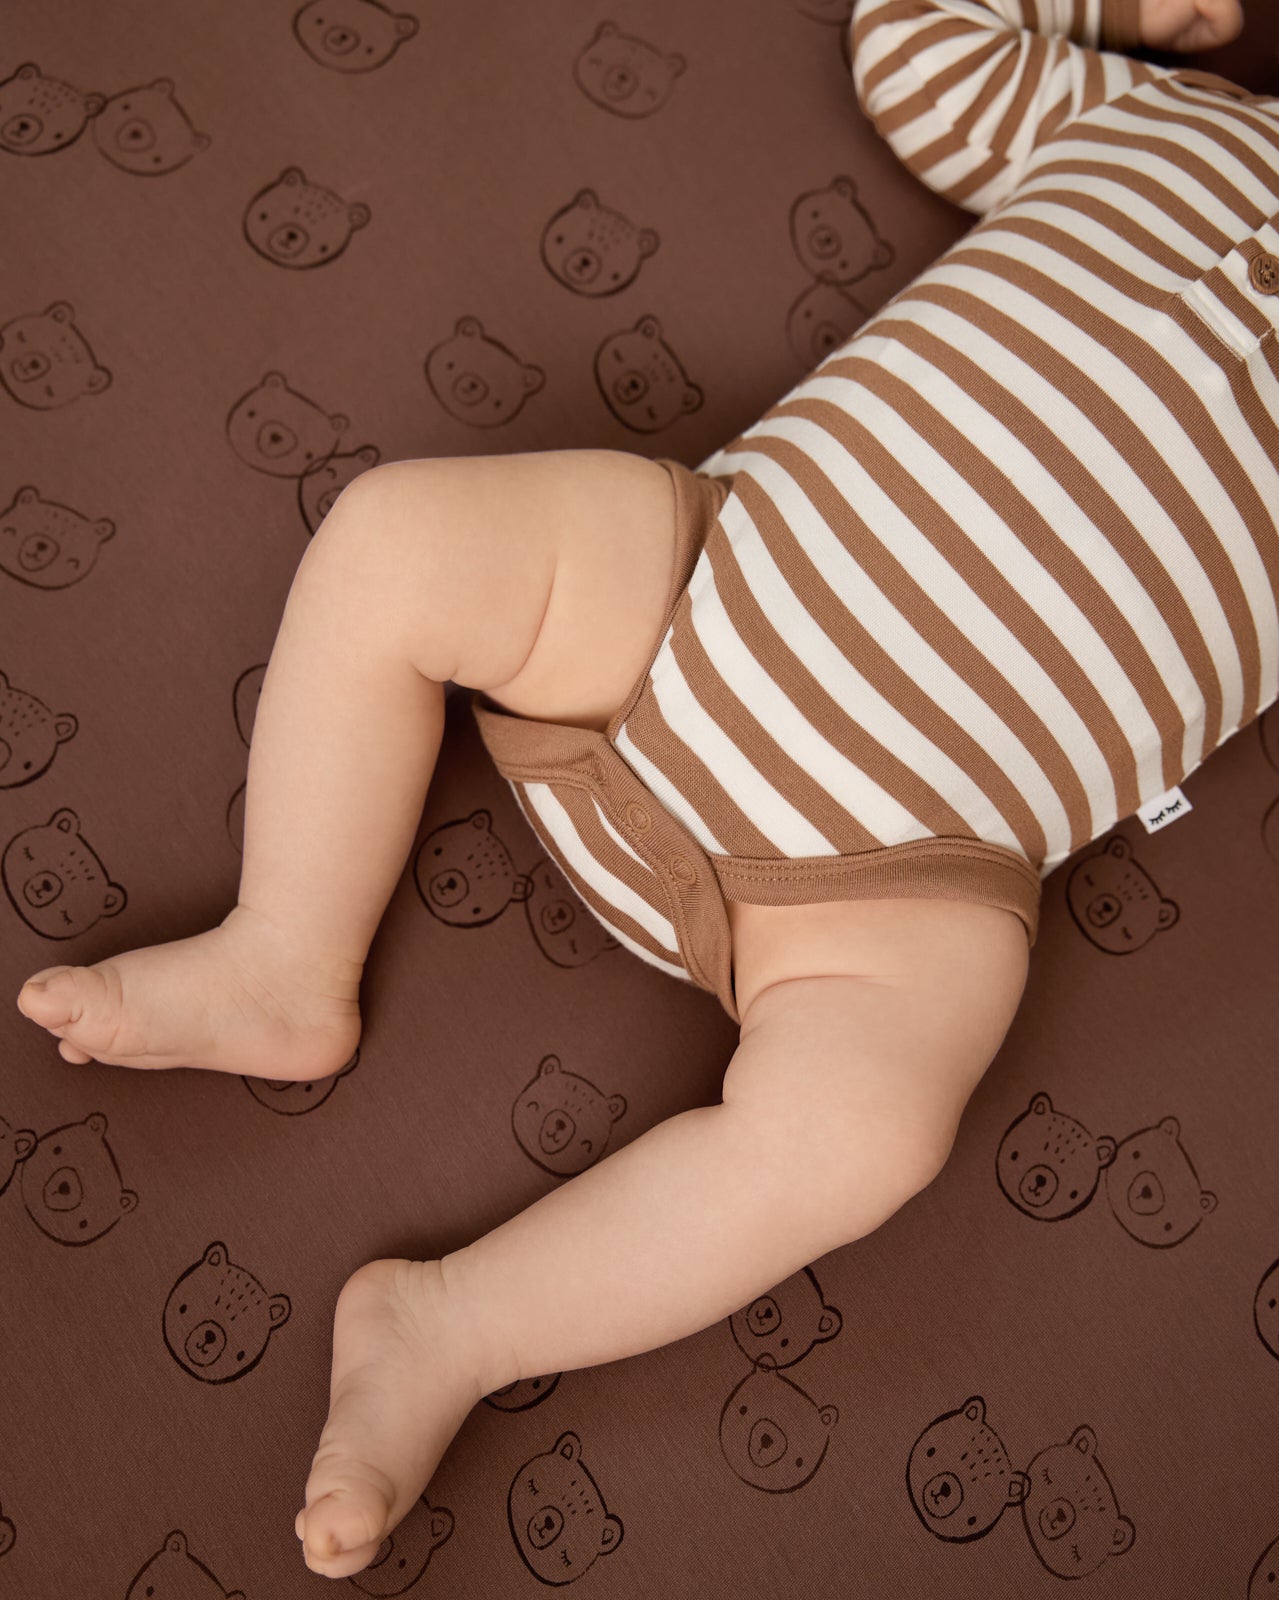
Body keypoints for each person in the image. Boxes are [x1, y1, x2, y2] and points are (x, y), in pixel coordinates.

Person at [16, 0, 1259, 1577]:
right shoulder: (1161, 122)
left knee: (868, 1130)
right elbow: (921, 43)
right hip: (698, 584)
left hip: (901, 875)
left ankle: (456, 1326)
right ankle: (283, 954)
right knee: (397, 539)